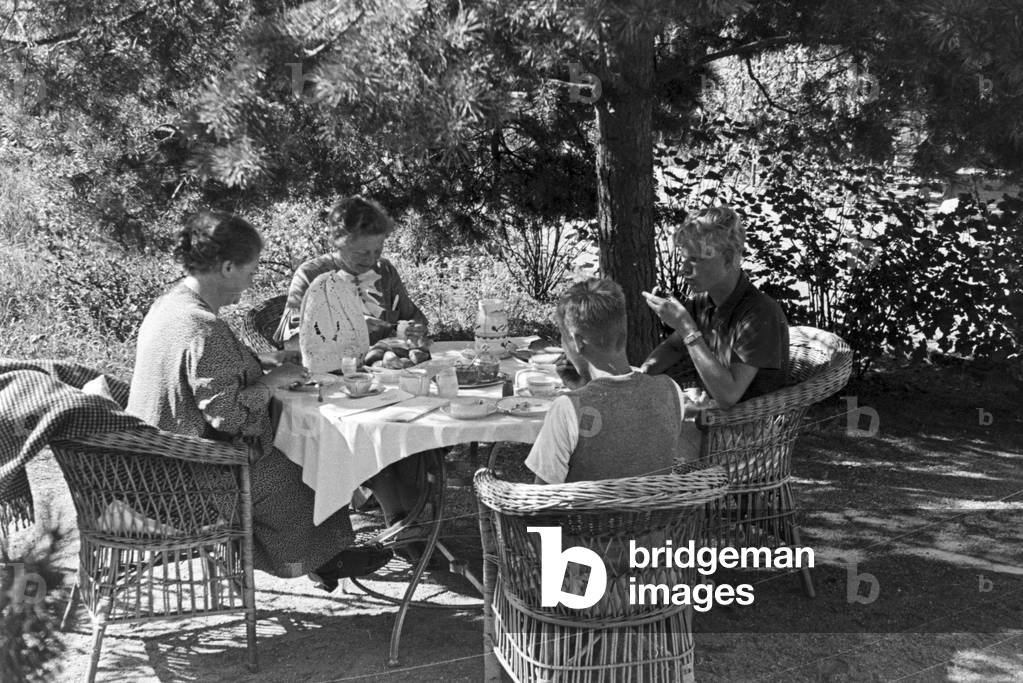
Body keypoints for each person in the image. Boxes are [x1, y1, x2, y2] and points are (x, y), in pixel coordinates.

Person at [128, 209, 392, 591]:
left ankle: (328, 556)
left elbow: (207, 373)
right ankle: (323, 556)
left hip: (153, 462)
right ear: (228, 266)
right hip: (187, 481)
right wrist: (269, 383)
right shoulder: (204, 327)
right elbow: (228, 416)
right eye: (251, 272)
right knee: (305, 460)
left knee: (297, 449)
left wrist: (260, 362)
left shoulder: (171, 306)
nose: (251, 283)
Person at [524, 278, 691, 485]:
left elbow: (541, 498)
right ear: (622, 330)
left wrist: (578, 395)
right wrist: (583, 387)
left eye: (562, 337)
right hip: (653, 516)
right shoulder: (671, 391)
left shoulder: (567, 408)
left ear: (577, 341)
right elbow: (623, 423)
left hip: (580, 518)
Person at [639, 205, 789, 409]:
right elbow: (674, 347)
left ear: (728, 259)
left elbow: (728, 396)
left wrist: (686, 327)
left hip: (750, 431)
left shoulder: (759, 312)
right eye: (684, 259)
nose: (683, 270)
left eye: (695, 260)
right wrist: (638, 378)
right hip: (713, 422)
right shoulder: (703, 301)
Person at [273, 196, 428, 348]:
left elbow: (415, 320)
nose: (371, 260)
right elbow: (292, 345)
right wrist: (347, 329)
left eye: (378, 251)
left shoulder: (385, 271)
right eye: (361, 253)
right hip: (330, 372)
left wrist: (415, 330)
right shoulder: (310, 275)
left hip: (386, 369)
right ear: (337, 243)